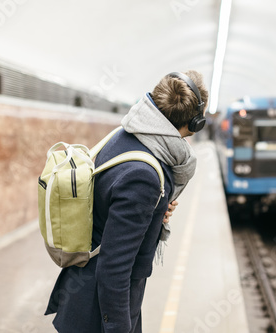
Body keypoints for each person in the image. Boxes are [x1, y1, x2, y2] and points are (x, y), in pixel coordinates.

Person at [45, 70, 209, 333]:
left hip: (85, 295)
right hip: (99, 313)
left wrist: (155, 211)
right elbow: (113, 270)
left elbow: (110, 204)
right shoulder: (144, 177)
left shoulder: (125, 134)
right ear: (195, 121)